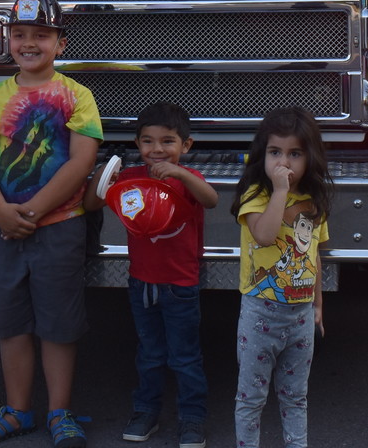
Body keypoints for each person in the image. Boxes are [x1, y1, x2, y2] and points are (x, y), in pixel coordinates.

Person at [0, 0, 103, 448]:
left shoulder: (78, 97)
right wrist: (2, 211)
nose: (29, 43)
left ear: (60, 44)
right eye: (20, 34)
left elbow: (80, 163)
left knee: (59, 323)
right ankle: (18, 410)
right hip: (0, 226)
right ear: (8, 41)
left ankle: (59, 412)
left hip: (59, 226)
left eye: (41, 35)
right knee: (10, 323)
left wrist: (35, 210)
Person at [83, 102, 219, 448]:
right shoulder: (131, 178)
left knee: (185, 356)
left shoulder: (190, 180)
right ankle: (146, 412)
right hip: (141, 282)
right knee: (149, 353)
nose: (157, 150)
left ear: (186, 146)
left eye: (168, 142)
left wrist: (182, 174)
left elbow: (212, 199)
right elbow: (92, 203)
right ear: (137, 143)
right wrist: (107, 172)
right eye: (148, 142)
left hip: (181, 284)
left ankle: (192, 418)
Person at [230, 107, 332, 448]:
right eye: (275, 152)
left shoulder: (312, 202)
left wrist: (318, 304)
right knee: (251, 398)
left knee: (295, 397)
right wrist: (278, 192)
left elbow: (313, 254)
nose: (283, 163)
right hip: (261, 314)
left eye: (294, 154)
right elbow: (264, 236)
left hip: (300, 316)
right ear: (263, 155)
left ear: (310, 157)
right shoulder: (256, 198)